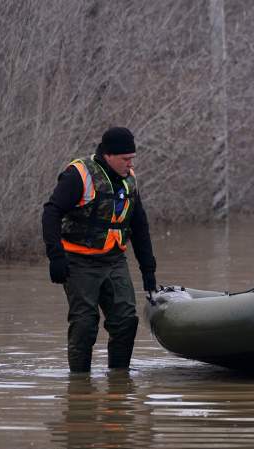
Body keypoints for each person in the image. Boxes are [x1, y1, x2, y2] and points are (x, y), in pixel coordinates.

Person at [41, 127, 157, 373]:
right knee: (85, 324)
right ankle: (80, 386)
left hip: (114, 260)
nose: (130, 164)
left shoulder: (129, 180)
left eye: (132, 158)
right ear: (108, 155)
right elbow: (51, 212)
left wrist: (148, 270)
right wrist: (56, 257)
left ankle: (119, 382)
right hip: (79, 261)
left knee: (126, 321)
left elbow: (139, 224)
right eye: (125, 159)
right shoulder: (79, 175)